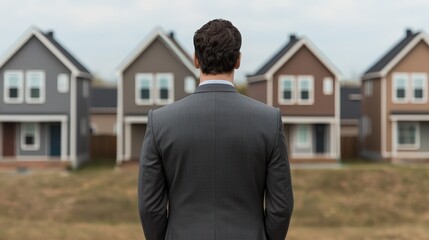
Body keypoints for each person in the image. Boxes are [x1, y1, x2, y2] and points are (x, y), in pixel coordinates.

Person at [138, 19, 293, 240]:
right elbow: (281, 207)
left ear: (195, 60)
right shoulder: (269, 120)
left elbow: (149, 208)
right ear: (238, 60)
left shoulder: (160, 122)